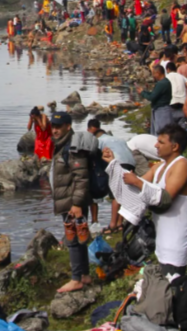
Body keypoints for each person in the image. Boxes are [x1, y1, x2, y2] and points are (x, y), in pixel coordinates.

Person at [117, 124, 187, 276]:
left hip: (177, 236)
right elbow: (134, 189)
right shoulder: (159, 167)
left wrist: (137, 181)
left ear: (175, 146)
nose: (155, 145)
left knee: (174, 280)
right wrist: (113, 165)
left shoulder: (182, 166)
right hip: (162, 236)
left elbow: (165, 200)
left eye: (161, 142)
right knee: (166, 281)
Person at [50, 112, 93, 293]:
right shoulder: (62, 145)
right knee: (79, 238)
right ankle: (85, 275)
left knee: (73, 240)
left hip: (72, 201)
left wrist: (76, 204)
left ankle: (76, 279)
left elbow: (81, 177)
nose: (55, 130)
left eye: (58, 127)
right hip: (69, 199)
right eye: (53, 126)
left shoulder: (72, 148)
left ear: (68, 126)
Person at [87, 119, 135, 235]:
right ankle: (119, 224)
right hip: (131, 163)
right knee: (123, 192)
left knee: (116, 194)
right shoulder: (118, 139)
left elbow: (96, 157)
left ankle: (113, 225)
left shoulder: (99, 140)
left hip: (118, 162)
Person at [138, 65, 173, 136]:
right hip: (163, 109)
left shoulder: (161, 83)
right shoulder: (166, 82)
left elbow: (152, 97)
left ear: (158, 73)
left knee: (161, 132)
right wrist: (143, 91)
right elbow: (154, 94)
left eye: (154, 73)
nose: (153, 76)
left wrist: (142, 93)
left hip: (161, 111)